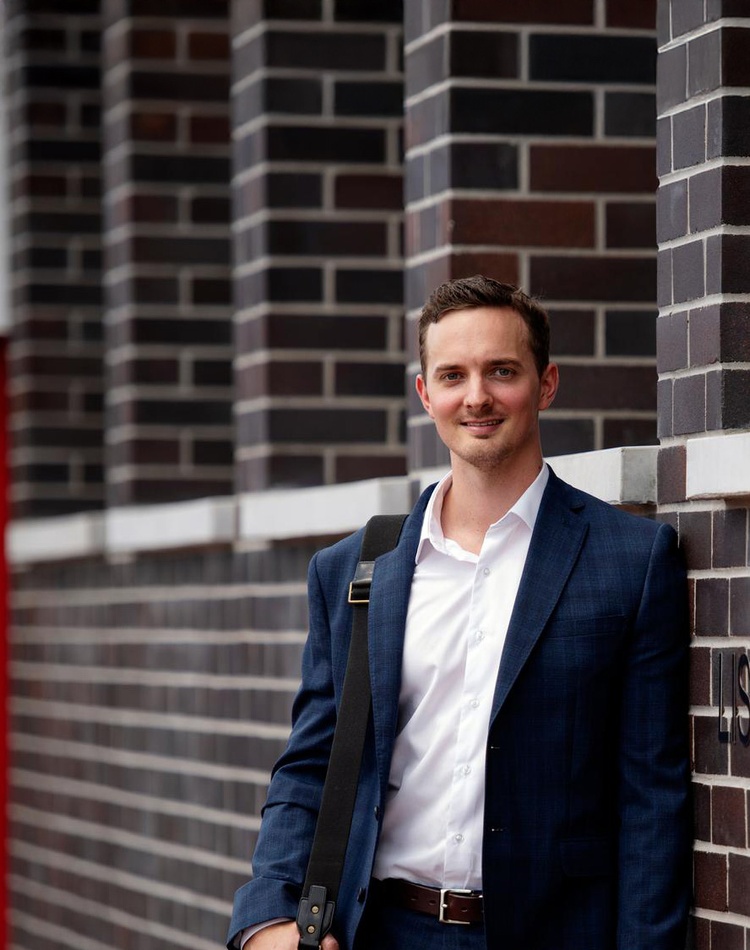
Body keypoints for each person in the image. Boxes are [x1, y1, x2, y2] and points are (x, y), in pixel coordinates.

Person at [227, 276, 691, 950]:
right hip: (381, 931)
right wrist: (267, 914)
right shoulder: (356, 569)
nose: (477, 397)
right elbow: (313, 764)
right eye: (453, 375)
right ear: (425, 394)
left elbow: (652, 801)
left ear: (546, 382)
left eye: (502, 371)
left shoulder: (632, 560)